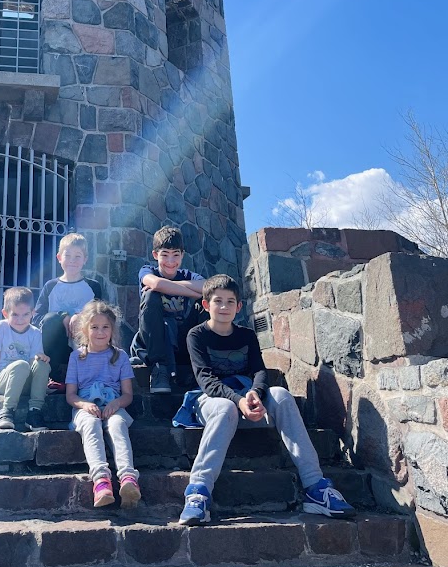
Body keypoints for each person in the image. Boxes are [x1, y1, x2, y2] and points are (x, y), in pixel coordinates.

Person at [179, 274, 356, 525]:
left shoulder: (247, 336)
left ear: (239, 307)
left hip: (247, 398)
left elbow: (259, 371)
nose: (224, 307)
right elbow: (206, 380)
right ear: (206, 305)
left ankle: (316, 487)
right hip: (213, 402)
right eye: (218, 301)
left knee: (282, 395)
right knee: (224, 408)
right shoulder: (196, 335)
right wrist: (239, 400)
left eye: (231, 302)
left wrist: (255, 394)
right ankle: (198, 492)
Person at [66, 300, 141, 509]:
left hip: (114, 405)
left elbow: (128, 395)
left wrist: (116, 404)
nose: (100, 332)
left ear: (112, 329)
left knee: (117, 425)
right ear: (84, 329)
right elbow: (70, 395)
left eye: (105, 327)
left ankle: (128, 478)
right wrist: (83, 405)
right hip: (86, 406)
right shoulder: (76, 357)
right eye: (94, 327)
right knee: (90, 425)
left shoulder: (120, 356)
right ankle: (101, 481)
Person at [130, 225, 206, 394]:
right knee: (151, 296)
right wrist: (191, 292)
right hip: (155, 339)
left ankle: (204, 365)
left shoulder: (188, 275)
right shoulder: (147, 270)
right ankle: (159, 369)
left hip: (181, 338)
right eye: (165, 255)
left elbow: (206, 287)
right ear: (155, 255)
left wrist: (166, 286)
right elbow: (155, 283)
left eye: (175, 255)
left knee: (204, 303)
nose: (170, 261)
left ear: (182, 255)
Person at [33, 233, 102, 392]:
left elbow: (101, 316)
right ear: (59, 257)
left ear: (85, 259)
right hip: (57, 349)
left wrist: (80, 316)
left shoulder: (93, 287)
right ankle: (55, 376)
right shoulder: (51, 286)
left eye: (78, 256)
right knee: (50, 319)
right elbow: (37, 317)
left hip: (83, 344)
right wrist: (62, 316)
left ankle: (88, 375)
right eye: (68, 255)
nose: (72, 260)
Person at [0, 286, 50, 431]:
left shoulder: (35, 333)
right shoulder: (1, 328)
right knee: (21, 365)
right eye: (15, 315)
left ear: (32, 314)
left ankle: (35, 412)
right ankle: (7, 411)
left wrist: (40, 362)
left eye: (25, 314)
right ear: (5, 313)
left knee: (42, 364)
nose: (20, 319)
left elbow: (32, 362)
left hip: (24, 380)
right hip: (4, 378)